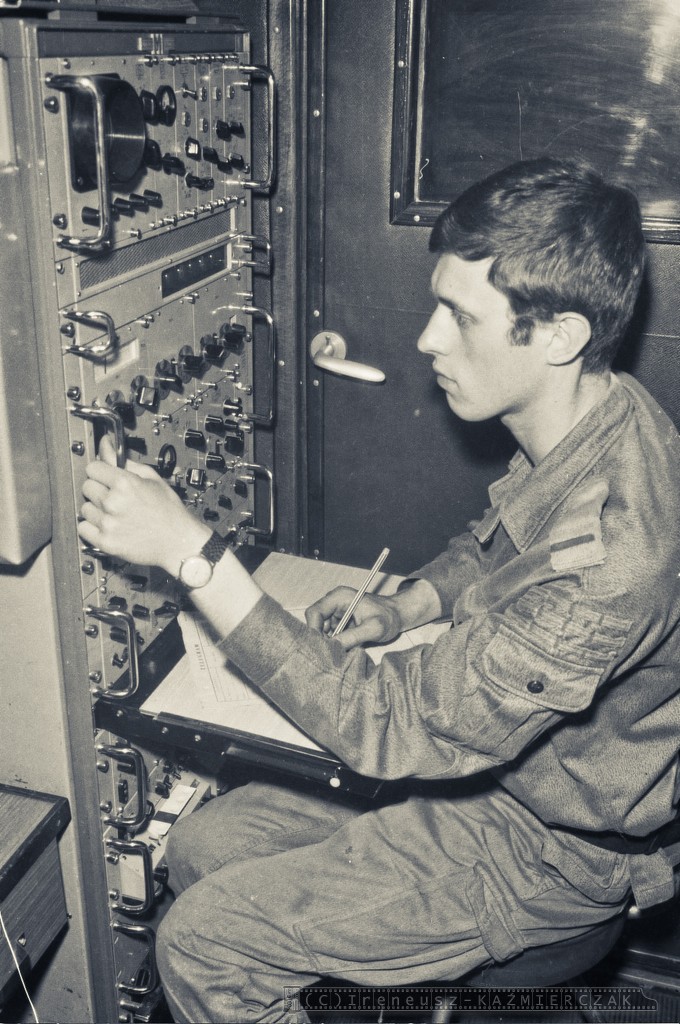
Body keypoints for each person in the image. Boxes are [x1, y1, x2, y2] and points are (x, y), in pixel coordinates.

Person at [78, 158, 680, 1024]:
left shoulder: (613, 555)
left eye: (460, 316)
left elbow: (394, 726)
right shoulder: (603, 414)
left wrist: (191, 554)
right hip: (494, 782)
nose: (429, 339)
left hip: (547, 854)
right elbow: (501, 549)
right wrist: (408, 605)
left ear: (560, 335)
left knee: (204, 945)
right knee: (201, 845)